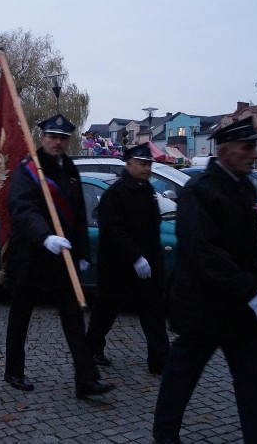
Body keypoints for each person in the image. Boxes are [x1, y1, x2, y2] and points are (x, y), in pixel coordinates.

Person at [152, 117, 257, 444]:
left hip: (239, 312)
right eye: (248, 147)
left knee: (255, 378)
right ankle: (165, 435)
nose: (254, 154)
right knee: (182, 374)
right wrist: (250, 290)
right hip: (204, 307)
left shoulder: (242, 184)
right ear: (225, 151)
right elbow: (202, 250)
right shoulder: (200, 190)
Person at [4, 114, 115, 398]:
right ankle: (14, 371)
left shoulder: (71, 170)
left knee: (74, 318)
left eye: (62, 138)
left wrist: (82, 253)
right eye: (52, 137)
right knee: (20, 318)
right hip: (30, 256)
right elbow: (22, 208)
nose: (57, 142)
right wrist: (44, 236)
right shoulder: (28, 170)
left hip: (62, 258)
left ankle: (86, 379)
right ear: (42, 138)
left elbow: (78, 216)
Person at [85, 142, 169, 374]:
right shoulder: (116, 193)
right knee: (106, 310)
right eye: (142, 164)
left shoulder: (148, 190)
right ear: (129, 164)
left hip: (146, 265)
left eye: (148, 164)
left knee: (153, 312)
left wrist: (151, 260)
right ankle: (91, 347)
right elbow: (114, 231)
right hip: (118, 267)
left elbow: (152, 228)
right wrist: (135, 257)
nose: (146, 168)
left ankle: (160, 360)